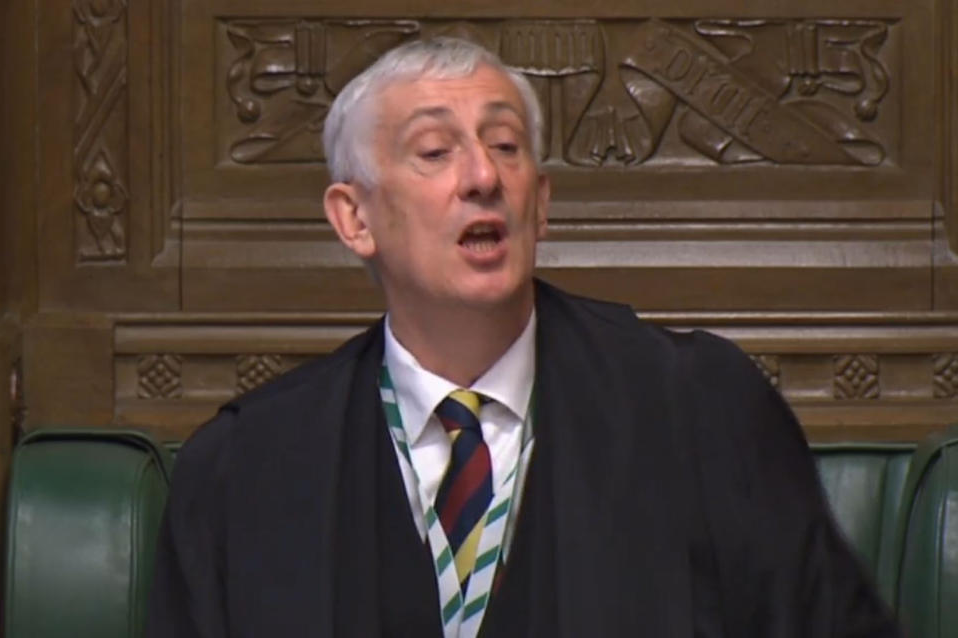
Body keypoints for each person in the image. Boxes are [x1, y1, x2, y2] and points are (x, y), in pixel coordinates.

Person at [146, 37, 901, 637]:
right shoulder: (246, 468)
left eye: (506, 147)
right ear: (354, 218)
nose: (482, 175)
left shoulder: (698, 409)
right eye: (435, 152)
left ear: (541, 205)